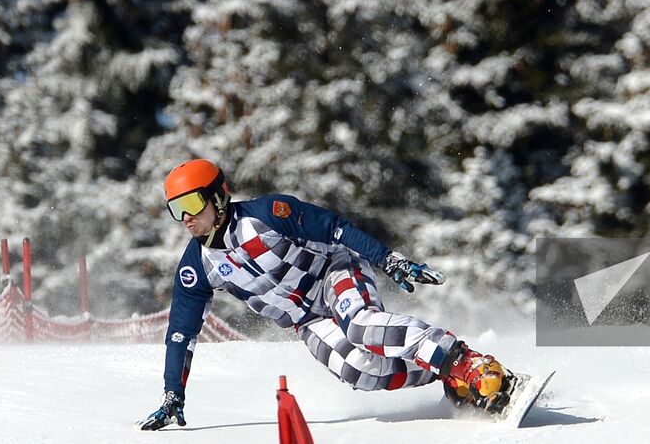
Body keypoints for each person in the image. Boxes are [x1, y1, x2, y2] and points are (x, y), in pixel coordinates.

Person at [138, 158, 515, 431]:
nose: (186, 218)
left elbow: (336, 228)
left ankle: (469, 364)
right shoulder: (197, 267)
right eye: (176, 209)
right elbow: (181, 334)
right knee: (361, 371)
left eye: (192, 204)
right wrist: (173, 393)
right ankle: (447, 375)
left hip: (334, 272)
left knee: (362, 328)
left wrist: (389, 259)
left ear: (218, 196)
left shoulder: (265, 213)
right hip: (306, 320)